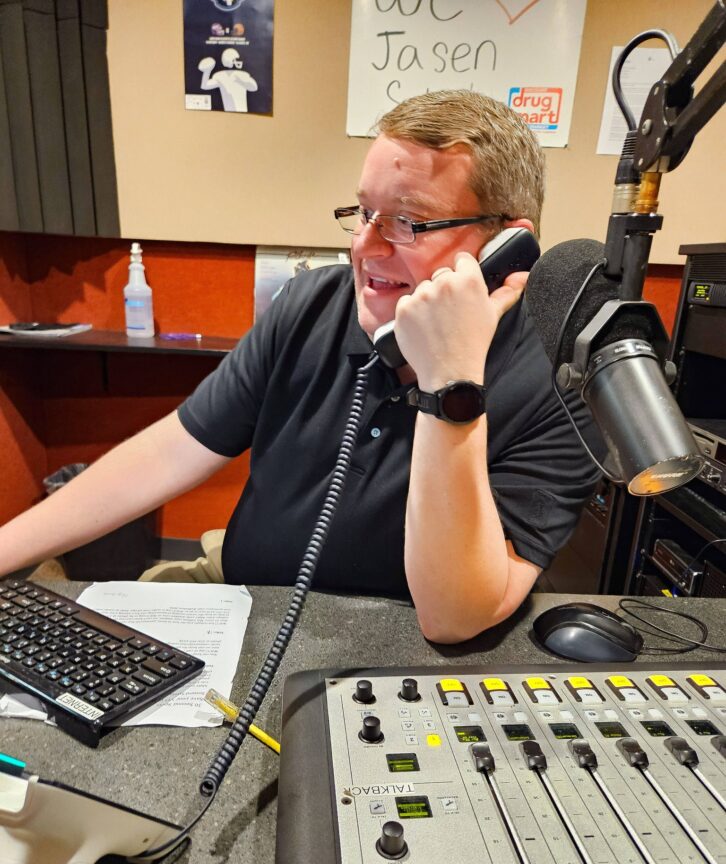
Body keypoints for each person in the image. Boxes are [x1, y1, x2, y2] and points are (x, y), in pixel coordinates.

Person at [0, 90, 601, 644]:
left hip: (402, 642)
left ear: (506, 248)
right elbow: (170, 452)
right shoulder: (311, 303)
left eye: (408, 222)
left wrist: (451, 385)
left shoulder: (562, 385)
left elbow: (453, 616)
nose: (366, 248)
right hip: (243, 589)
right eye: (364, 212)